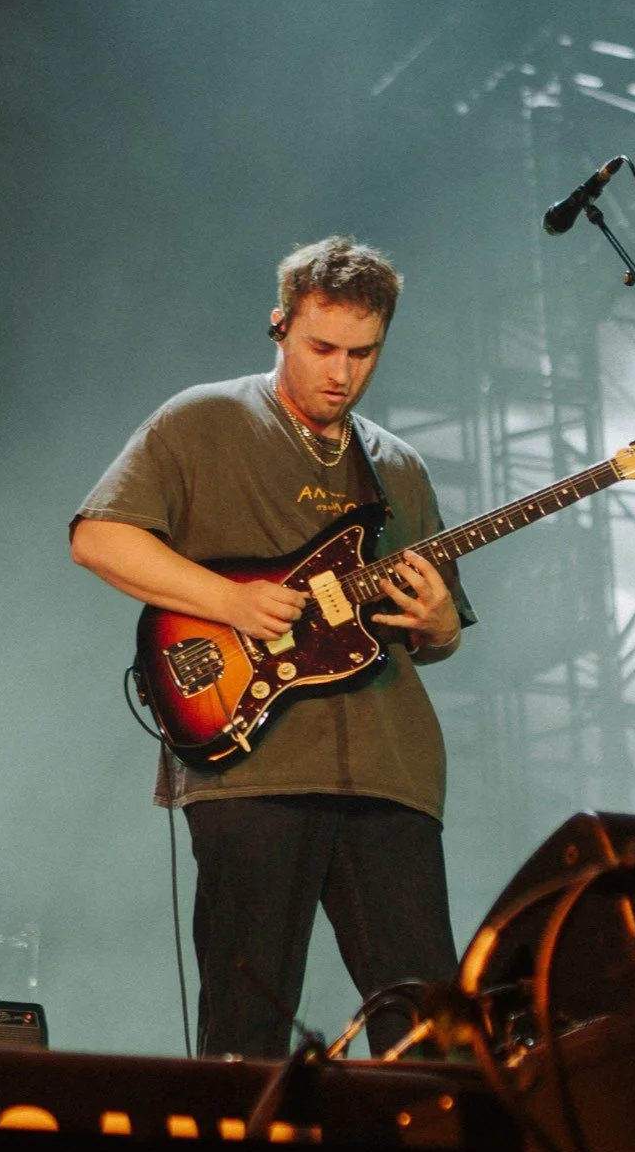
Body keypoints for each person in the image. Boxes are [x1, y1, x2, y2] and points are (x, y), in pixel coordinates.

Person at [70, 237, 474, 1058]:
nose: (342, 373)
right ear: (279, 327)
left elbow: (438, 637)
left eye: (363, 354)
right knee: (247, 1026)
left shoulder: (398, 466)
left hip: (391, 770)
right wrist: (231, 601)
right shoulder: (202, 419)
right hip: (251, 759)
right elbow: (99, 538)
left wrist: (440, 624)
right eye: (322, 348)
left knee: (434, 1033)